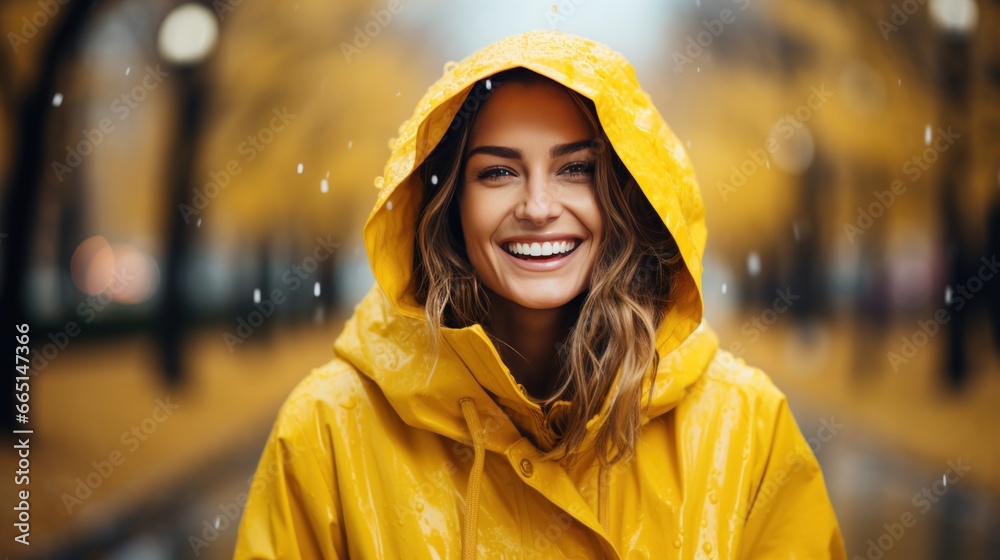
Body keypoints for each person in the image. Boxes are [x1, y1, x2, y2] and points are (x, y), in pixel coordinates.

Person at [233, 30, 846, 559]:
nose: (538, 207)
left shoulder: (747, 431)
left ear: (628, 197)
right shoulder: (328, 431)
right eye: (498, 171)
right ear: (449, 206)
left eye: (576, 168)